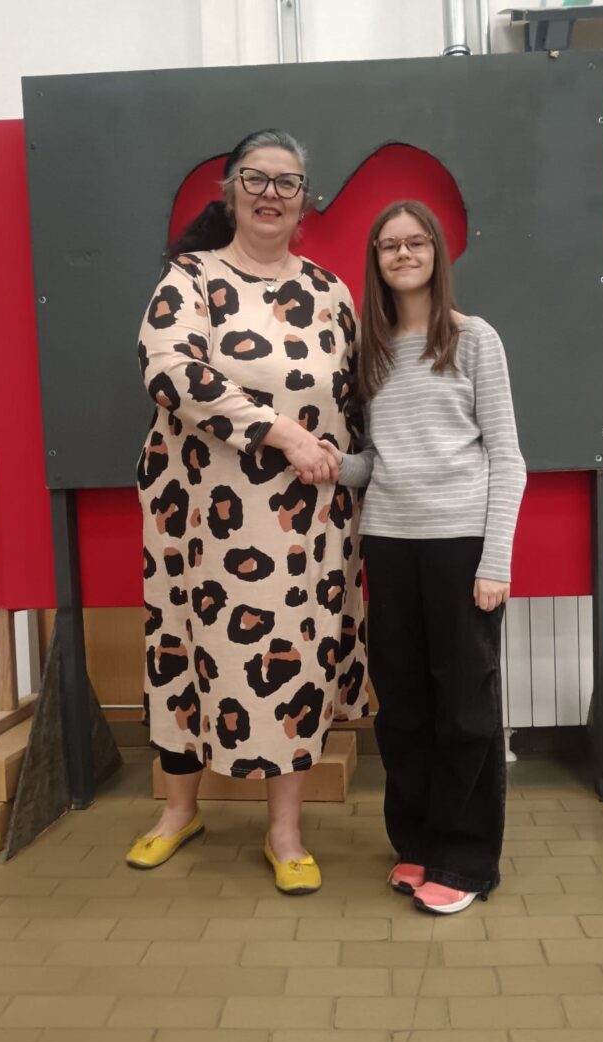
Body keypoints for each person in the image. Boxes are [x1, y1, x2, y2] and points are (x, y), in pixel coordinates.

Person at [126, 129, 369, 894]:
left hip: (304, 528)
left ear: (305, 200)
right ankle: (179, 811)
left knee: (292, 667)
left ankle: (285, 831)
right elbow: (169, 369)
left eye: (287, 182)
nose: (271, 194)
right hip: (197, 520)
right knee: (183, 653)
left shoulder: (331, 293)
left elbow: (356, 401)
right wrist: (282, 432)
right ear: (229, 191)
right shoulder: (190, 278)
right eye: (256, 179)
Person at [312, 200, 526, 914]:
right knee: (402, 706)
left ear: (436, 252)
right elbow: (378, 462)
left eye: (415, 242)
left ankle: (465, 860)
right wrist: (332, 464)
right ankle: (417, 841)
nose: (403, 254)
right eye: (388, 245)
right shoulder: (370, 351)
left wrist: (495, 562)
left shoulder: (474, 339)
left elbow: (507, 457)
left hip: (461, 547)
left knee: (464, 709)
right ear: (376, 261)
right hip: (389, 546)